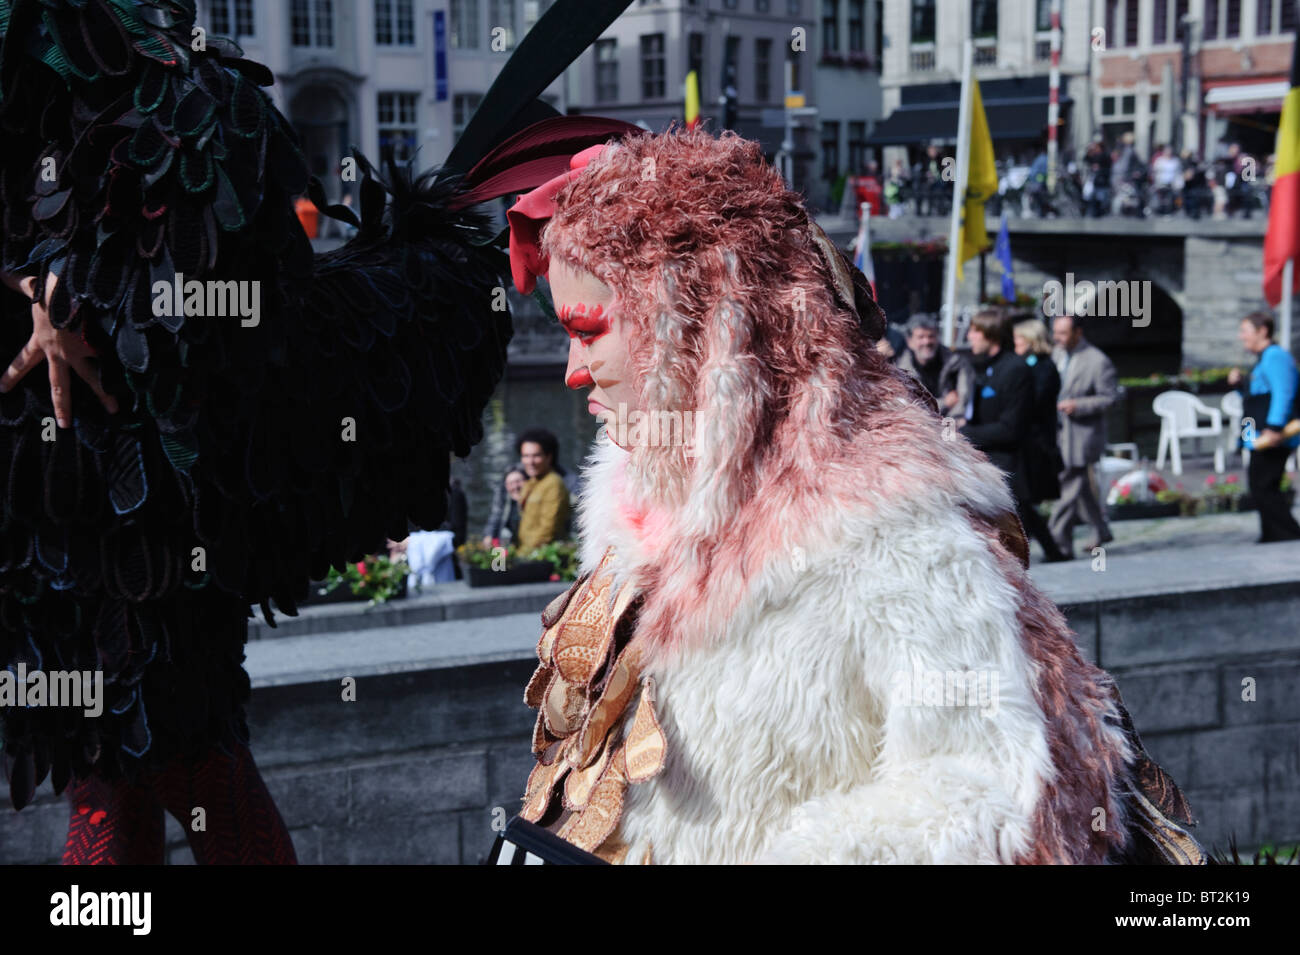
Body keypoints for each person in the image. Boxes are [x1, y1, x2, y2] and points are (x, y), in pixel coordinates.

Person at [500, 127, 1203, 864]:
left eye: (587, 330)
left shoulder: (898, 534)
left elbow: (991, 798)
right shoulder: (635, 497)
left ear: (701, 325)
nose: (573, 370)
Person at [960, 312, 1069, 563]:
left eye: (975, 331)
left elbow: (1011, 428)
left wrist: (963, 432)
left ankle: (1038, 560)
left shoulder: (1015, 369)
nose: (969, 337)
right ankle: (1050, 553)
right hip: (992, 461)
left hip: (1012, 464)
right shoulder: (988, 367)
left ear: (991, 335)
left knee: (1017, 520)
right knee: (1022, 516)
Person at [1048, 315, 1118, 559]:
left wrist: (1078, 404)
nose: (1057, 338)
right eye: (1055, 332)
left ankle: (1056, 539)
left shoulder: (1098, 361)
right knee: (1081, 489)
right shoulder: (1056, 354)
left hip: (1082, 435)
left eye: (1063, 333)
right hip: (1059, 432)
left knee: (1069, 486)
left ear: (1078, 333)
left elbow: (1109, 398)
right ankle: (1101, 529)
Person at [1227, 312, 1300, 542]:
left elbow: (1283, 393)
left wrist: (1275, 427)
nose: (1242, 337)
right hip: (1260, 434)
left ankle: (1287, 533)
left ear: (1262, 331)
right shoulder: (1263, 359)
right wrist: (1240, 385)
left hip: (1274, 435)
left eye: (1245, 331)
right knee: (1260, 484)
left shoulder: (1275, 357)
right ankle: (1272, 533)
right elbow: (1257, 395)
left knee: (1264, 485)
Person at [895, 313, 973, 418]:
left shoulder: (956, 362)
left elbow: (963, 400)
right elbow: (908, 408)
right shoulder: (899, 370)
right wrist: (944, 403)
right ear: (909, 342)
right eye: (921, 337)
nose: (927, 341)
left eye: (931, 336)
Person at [514, 428, 572, 552]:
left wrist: (521, 556)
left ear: (549, 457)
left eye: (536, 456)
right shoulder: (530, 482)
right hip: (525, 552)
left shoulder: (554, 483)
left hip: (541, 556)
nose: (530, 462)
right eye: (525, 456)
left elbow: (547, 531)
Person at [482, 466, 528, 546]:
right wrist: (488, 535)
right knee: (496, 554)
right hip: (504, 543)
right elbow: (495, 518)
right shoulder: (503, 499)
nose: (515, 486)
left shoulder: (532, 501)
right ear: (506, 486)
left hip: (526, 546)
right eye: (511, 483)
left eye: (518, 481)